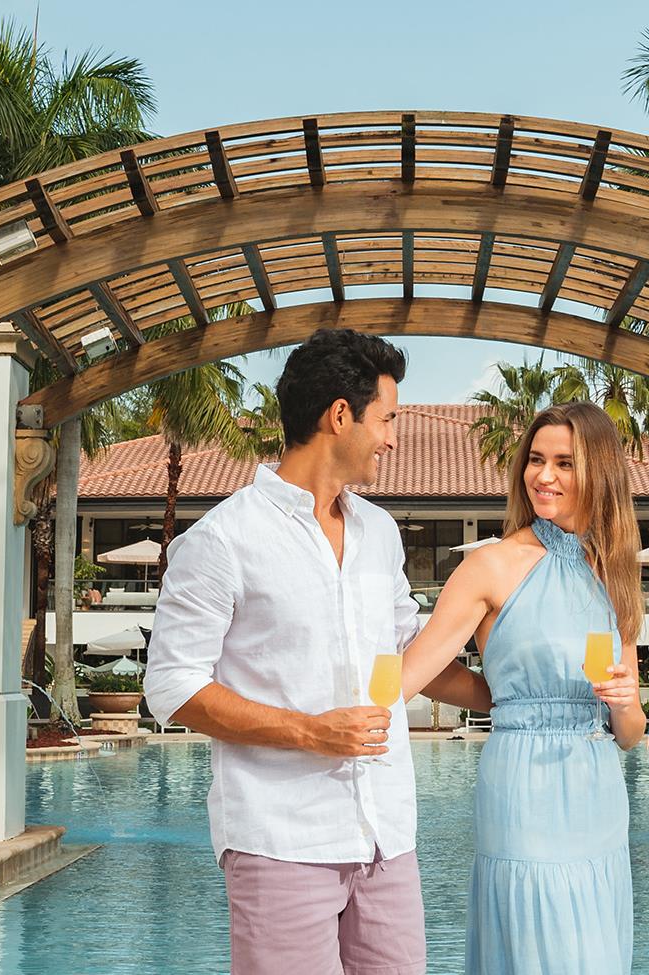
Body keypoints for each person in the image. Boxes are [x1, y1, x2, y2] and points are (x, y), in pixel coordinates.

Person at [145, 329, 492, 975]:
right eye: (386, 419)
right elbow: (170, 686)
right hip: (281, 841)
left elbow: (407, 648)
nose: (391, 438)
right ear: (340, 415)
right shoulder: (222, 540)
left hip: (387, 837)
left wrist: (504, 696)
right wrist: (309, 731)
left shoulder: (379, 531)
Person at [399, 401, 643, 974]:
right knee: (537, 940)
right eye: (536, 460)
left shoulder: (615, 573)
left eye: (564, 462)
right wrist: (497, 700)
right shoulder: (490, 566)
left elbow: (629, 735)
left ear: (598, 471)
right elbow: (415, 670)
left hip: (598, 791)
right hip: (523, 787)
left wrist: (627, 703)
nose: (544, 476)